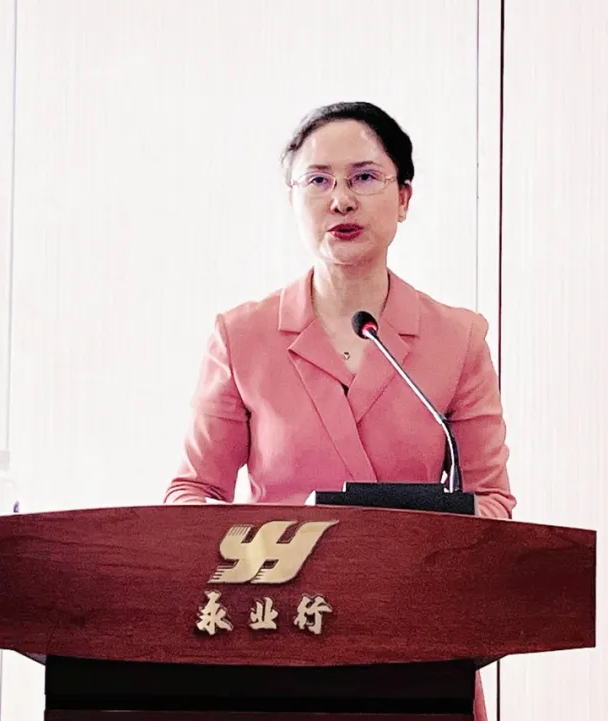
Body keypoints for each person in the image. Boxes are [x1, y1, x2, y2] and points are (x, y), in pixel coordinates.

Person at [164, 101, 514, 719]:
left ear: (403, 198)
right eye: (319, 181)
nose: (341, 200)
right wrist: (269, 555)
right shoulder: (242, 336)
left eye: (364, 177)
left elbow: (491, 502)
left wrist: (400, 551)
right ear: (293, 200)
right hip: (276, 636)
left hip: (415, 642)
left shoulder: (458, 339)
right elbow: (192, 493)